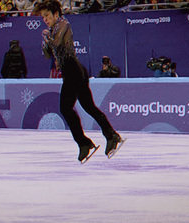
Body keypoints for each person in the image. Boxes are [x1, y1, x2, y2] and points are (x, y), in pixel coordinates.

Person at [33, 0, 124, 163]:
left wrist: (48, 37)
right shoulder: (53, 29)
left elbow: (58, 43)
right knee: (88, 107)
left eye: (46, 16)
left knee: (65, 108)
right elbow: (47, 54)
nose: (44, 20)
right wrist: (46, 42)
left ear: (55, 14)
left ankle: (84, 143)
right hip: (72, 70)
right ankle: (111, 135)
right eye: (43, 17)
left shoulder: (63, 24)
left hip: (73, 69)